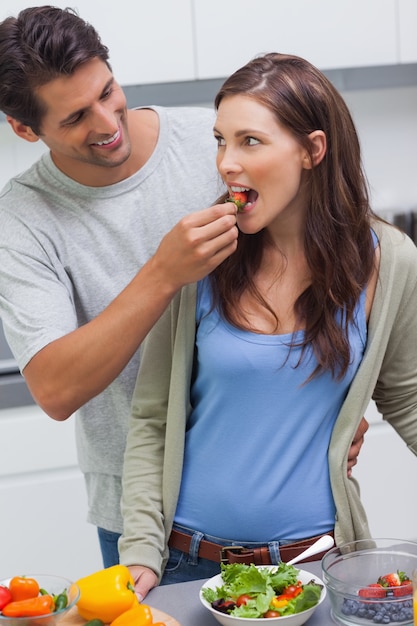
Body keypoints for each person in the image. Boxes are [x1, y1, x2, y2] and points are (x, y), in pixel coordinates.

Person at [0, 9, 365, 567]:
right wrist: (163, 273)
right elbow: (54, 389)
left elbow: (321, 265)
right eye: (76, 116)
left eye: (107, 90)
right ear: (25, 130)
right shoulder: (23, 218)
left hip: (289, 509)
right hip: (143, 519)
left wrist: (343, 397)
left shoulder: (216, 143)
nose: (106, 122)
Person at [119, 52, 417, 601]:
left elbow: (407, 396)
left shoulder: (388, 260)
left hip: (317, 567)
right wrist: (140, 550)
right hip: (189, 562)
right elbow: (152, 417)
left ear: (312, 150)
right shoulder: (196, 256)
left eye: (249, 141)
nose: (227, 162)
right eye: (220, 140)